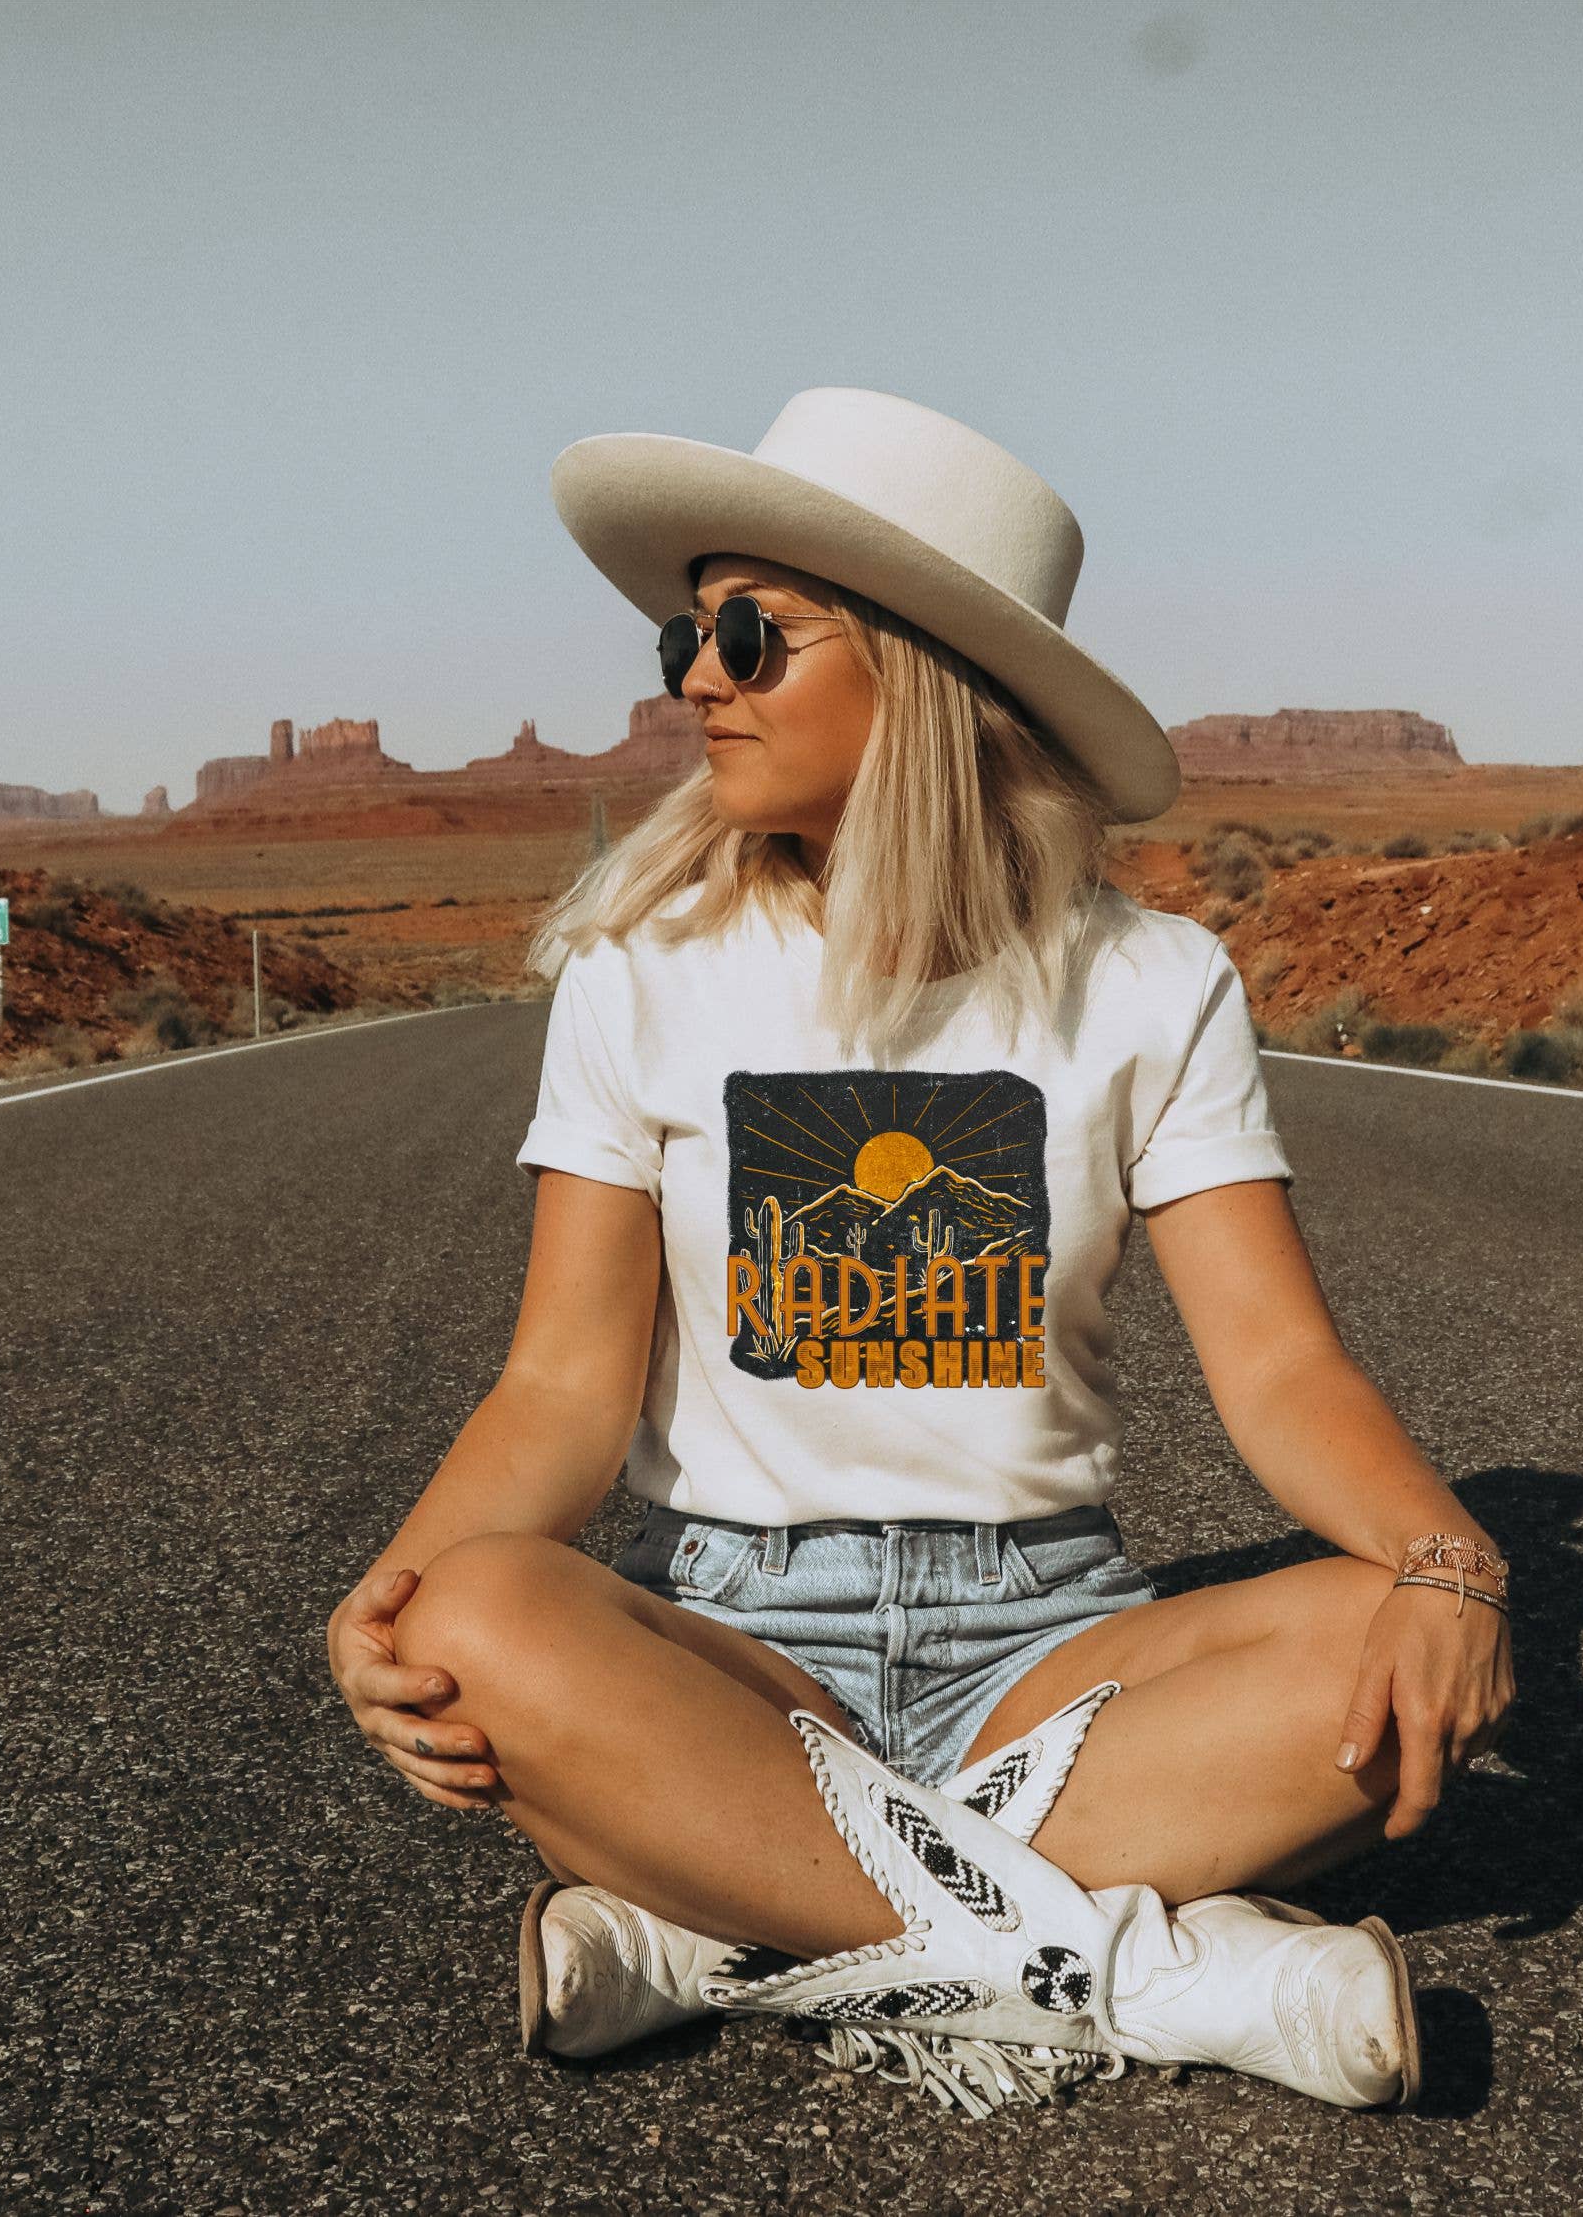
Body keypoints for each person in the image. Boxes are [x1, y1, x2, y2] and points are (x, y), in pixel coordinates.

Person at [325, 387, 1516, 2117]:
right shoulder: (640, 974)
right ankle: (1143, 1977)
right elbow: (562, 1383)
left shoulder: (1148, 983)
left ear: (927, 669)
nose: (695, 680)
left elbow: (1277, 1365)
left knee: (1380, 1639)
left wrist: (1451, 1567)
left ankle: (721, 1927)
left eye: (749, 634)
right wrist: (392, 1602)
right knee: (480, 1614)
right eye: (685, 635)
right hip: (734, 1639)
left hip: (1050, 1638)